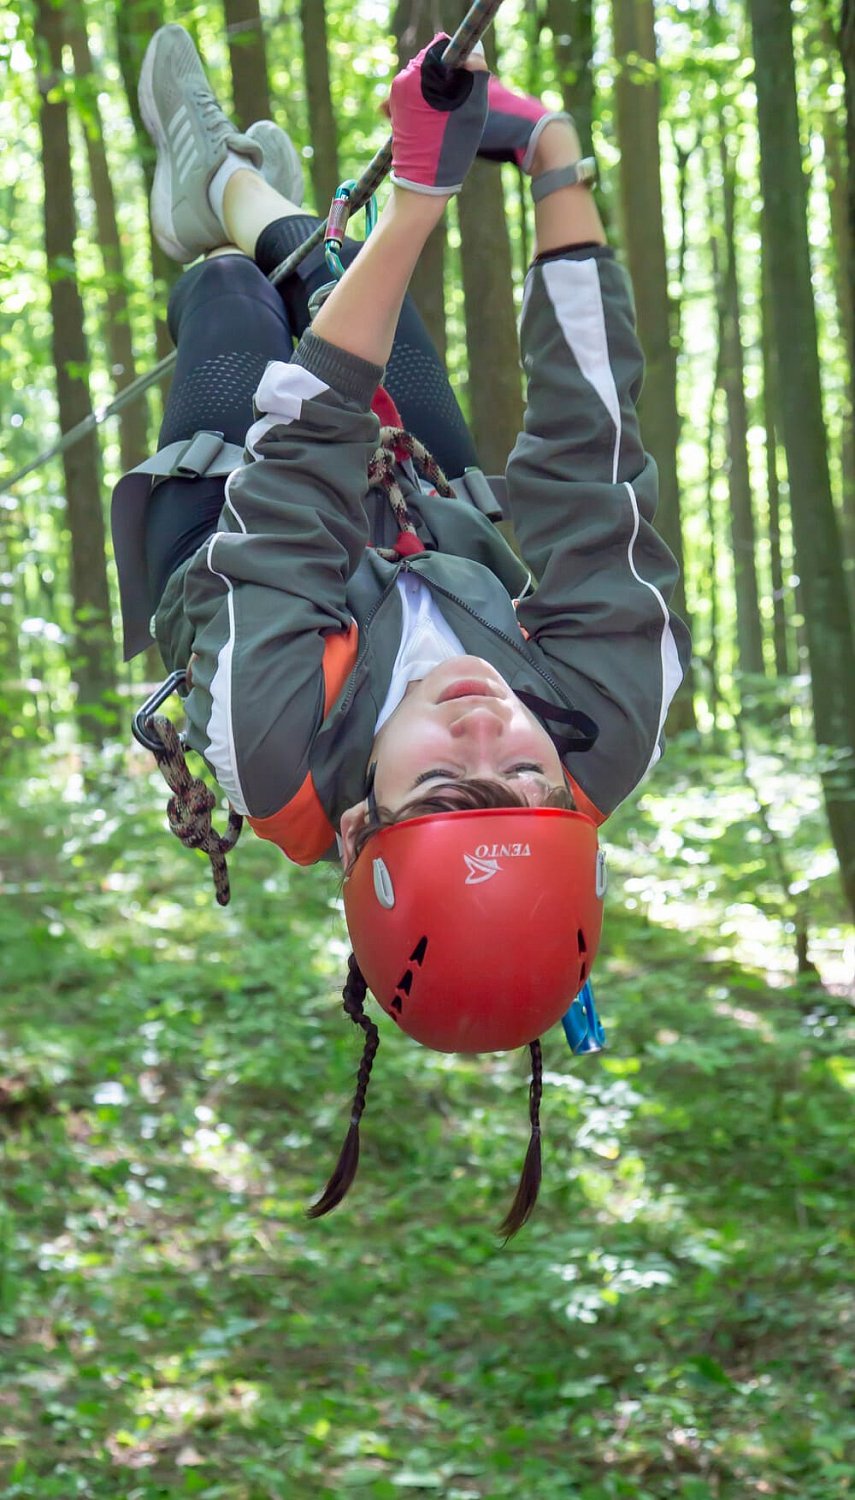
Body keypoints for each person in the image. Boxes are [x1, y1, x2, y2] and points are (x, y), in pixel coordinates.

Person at [112, 24, 691, 1234]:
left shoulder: (276, 747)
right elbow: (597, 451)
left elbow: (305, 458)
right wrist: (552, 161)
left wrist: (424, 195)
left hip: (236, 547)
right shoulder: (610, 725)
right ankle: (242, 199)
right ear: (577, 805)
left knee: (230, 298)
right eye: (527, 781)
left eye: (447, 792)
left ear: (364, 821)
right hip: (435, 529)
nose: (490, 736)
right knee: (333, 276)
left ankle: (220, 197)